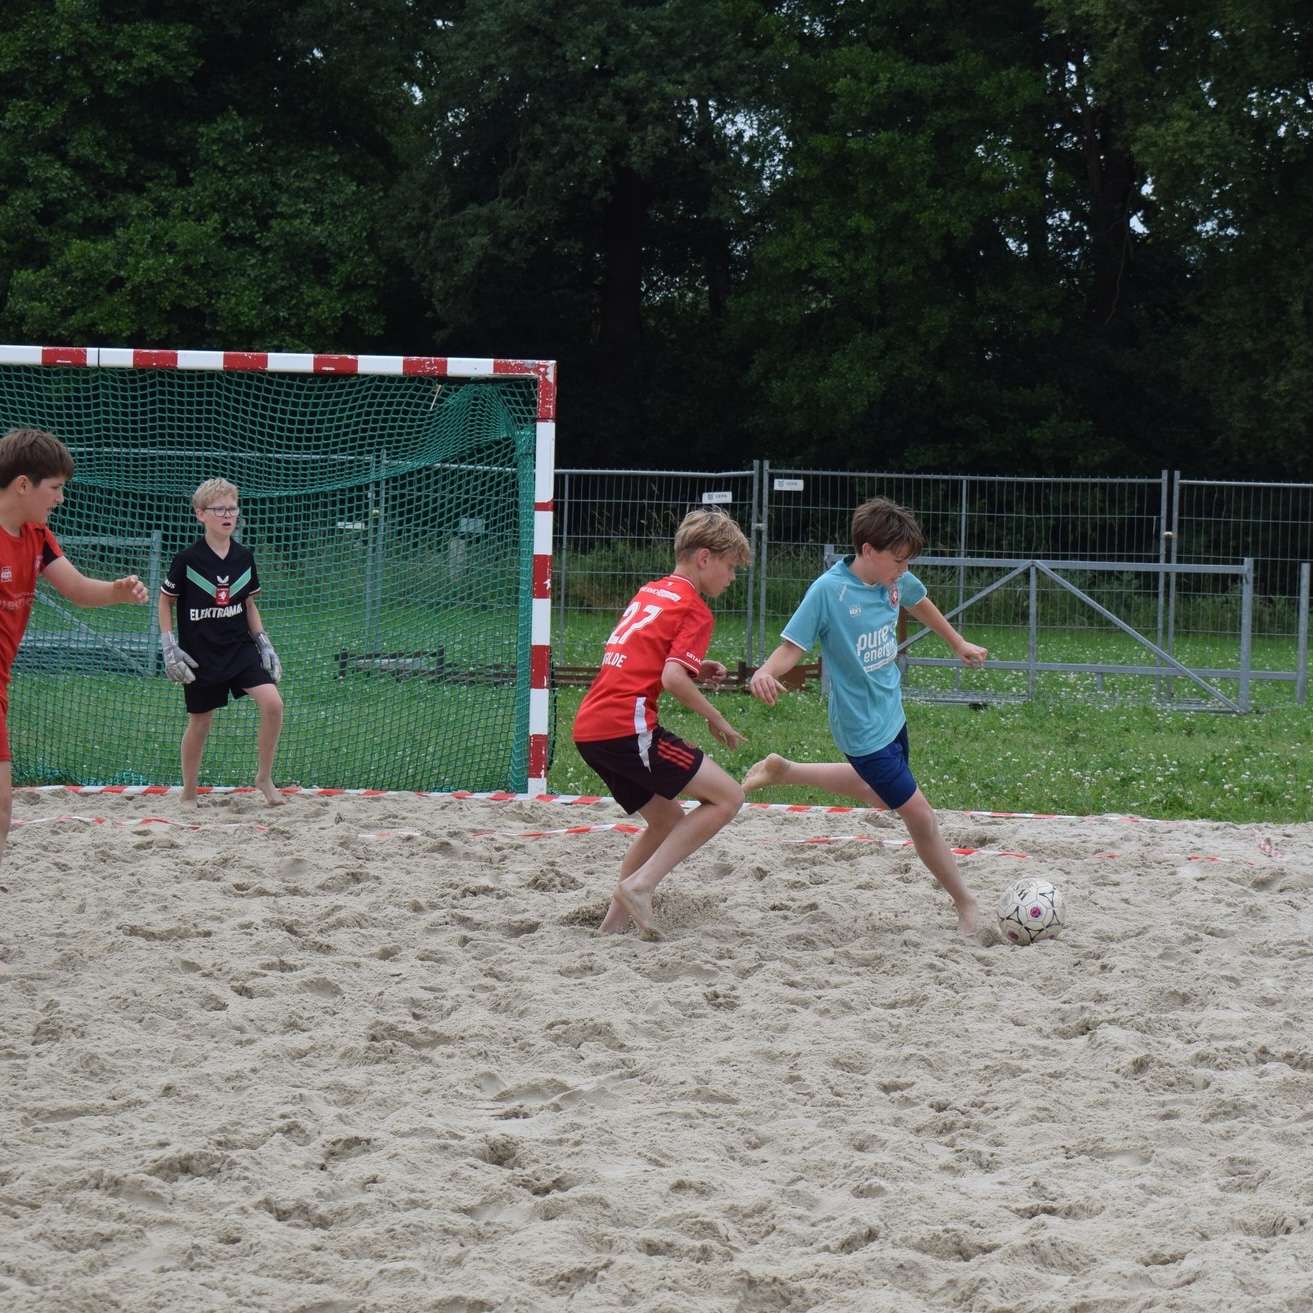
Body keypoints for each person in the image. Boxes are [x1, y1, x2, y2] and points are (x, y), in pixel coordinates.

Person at [746, 497, 988, 934]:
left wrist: (958, 643)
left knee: (880, 797)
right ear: (867, 550)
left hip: (892, 712)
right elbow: (792, 647)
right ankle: (965, 902)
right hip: (860, 729)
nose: (903, 569)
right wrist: (764, 670)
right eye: (898, 560)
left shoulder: (895, 580)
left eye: (908, 561)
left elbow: (920, 602)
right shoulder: (828, 592)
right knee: (922, 818)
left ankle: (785, 770)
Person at [573, 508, 752, 938]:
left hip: (590, 729)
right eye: (730, 568)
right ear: (704, 558)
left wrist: (693, 665)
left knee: (667, 819)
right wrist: (717, 717)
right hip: (625, 727)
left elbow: (645, 654)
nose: (732, 578)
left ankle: (612, 927)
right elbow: (671, 679)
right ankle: (640, 885)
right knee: (728, 797)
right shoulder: (695, 607)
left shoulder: (651, 592)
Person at [0, 427, 149, 876]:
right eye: (55, 488)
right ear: (23, 484)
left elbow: (80, 591)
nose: (60, 499)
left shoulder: (37, 535)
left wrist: (118, 592)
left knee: (4, 803)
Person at [158, 478, 285, 808]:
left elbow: (248, 604)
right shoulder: (187, 559)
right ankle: (189, 791)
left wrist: (264, 643)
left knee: (273, 703)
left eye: (232, 508)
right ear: (201, 515)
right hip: (201, 654)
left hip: (239, 647)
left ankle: (264, 778)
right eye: (219, 509)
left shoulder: (244, 557)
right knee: (201, 722)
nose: (227, 515)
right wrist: (169, 646)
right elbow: (164, 600)